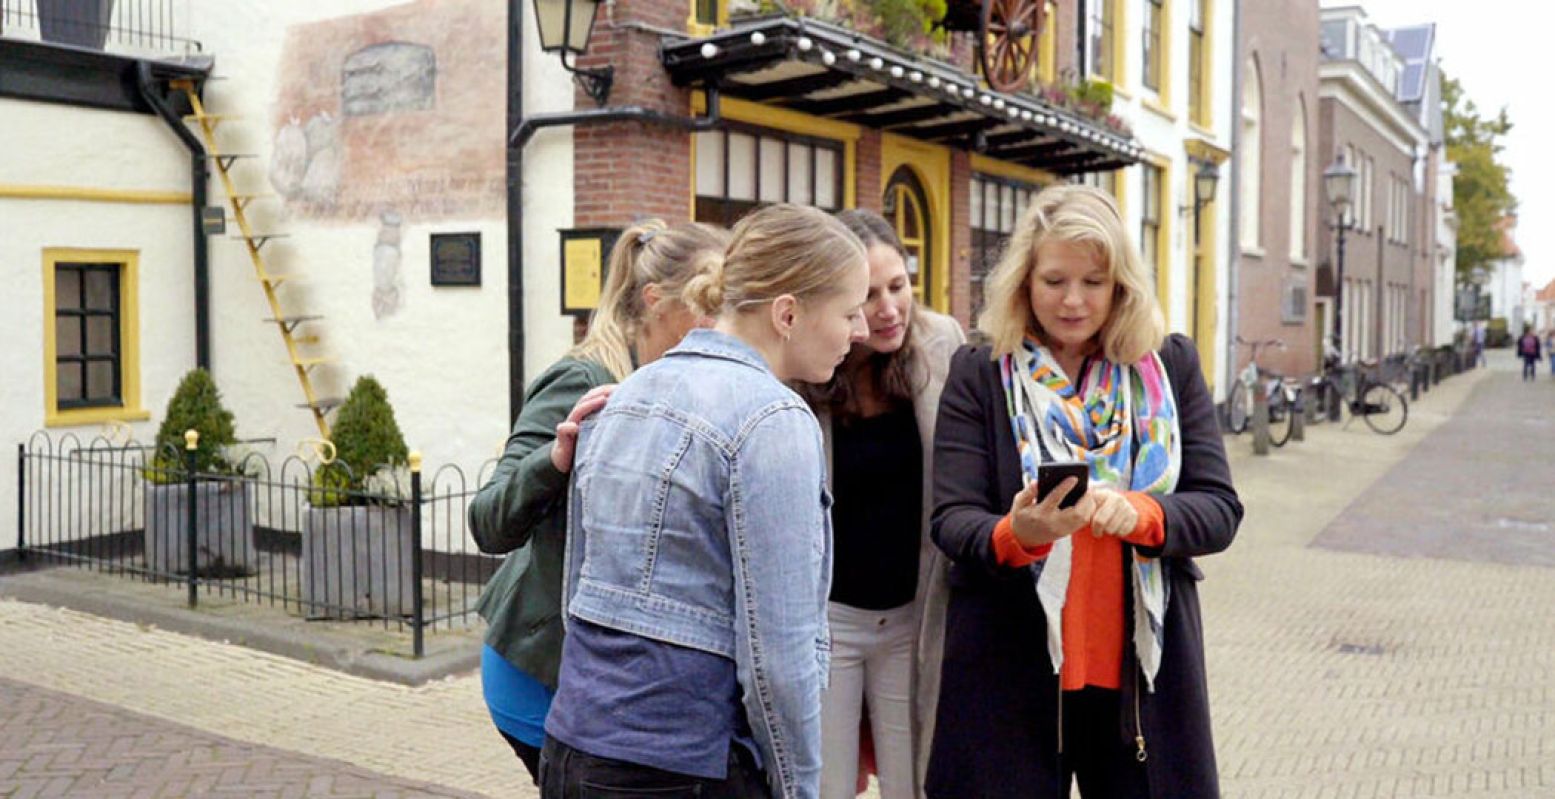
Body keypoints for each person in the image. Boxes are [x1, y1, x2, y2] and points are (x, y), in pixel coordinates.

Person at [540, 203, 871, 799]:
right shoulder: (772, 420)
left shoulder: (626, 395)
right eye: (849, 312)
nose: (861, 330)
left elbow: (578, 595)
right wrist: (799, 787)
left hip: (574, 746)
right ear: (788, 313)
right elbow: (779, 655)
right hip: (682, 763)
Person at [926, 184, 1243, 798]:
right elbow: (950, 518)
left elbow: (1220, 508)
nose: (1073, 300)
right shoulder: (981, 370)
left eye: (1093, 282)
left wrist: (1141, 514)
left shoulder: (1168, 366)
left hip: (1135, 683)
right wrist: (1017, 533)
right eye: (1054, 281)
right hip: (1010, 670)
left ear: (1121, 284)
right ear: (1024, 282)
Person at [467, 220, 729, 782]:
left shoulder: (681, 383)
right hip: (538, 669)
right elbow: (488, 521)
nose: (720, 321)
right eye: (708, 302)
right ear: (656, 302)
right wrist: (556, 458)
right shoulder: (583, 377)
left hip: (601, 678)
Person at [799, 210, 964, 799]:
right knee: (826, 786)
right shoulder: (806, 367)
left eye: (898, 286)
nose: (890, 307)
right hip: (830, 620)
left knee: (913, 782)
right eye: (868, 295)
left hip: (912, 619)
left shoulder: (941, 345)